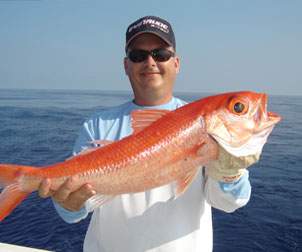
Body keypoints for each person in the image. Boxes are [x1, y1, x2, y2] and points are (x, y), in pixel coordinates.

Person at [39, 16, 255, 252]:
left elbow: (227, 203)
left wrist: (230, 172)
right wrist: (69, 204)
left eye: (161, 54)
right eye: (138, 55)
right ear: (126, 65)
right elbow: (73, 213)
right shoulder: (97, 125)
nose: (150, 62)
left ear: (177, 63)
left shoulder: (204, 127)